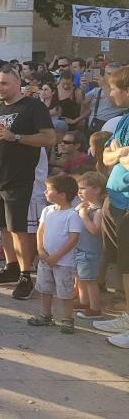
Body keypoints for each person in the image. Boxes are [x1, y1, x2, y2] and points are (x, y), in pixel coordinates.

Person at [0, 65, 56, 301]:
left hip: (20, 177)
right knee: (2, 225)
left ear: (17, 83)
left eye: (4, 83)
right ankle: (11, 266)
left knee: (19, 228)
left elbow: (49, 138)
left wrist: (18, 137)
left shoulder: (34, 106)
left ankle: (26, 275)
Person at [96, 65, 129, 348]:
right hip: (115, 199)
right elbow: (106, 156)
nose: (110, 94)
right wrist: (120, 152)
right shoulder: (122, 120)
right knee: (120, 262)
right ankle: (126, 315)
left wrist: (117, 154)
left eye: (114, 89)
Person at [27, 174, 82, 334]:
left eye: (49, 190)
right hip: (45, 260)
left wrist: (57, 256)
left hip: (63, 262)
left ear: (62, 195)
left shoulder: (72, 215)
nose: (45, 192)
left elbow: (73, 239)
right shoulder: (47, 210)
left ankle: (67, 319)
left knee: (65, 291)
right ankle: (45, 314)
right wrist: (41, 250)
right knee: (45, 288)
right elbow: (40, 231)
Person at [75, 171, 106, 319]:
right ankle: (83, 301)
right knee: (80, 278)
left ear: (96, 189)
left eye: (82, 188)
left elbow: (95, 230)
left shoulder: (98, 211)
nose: (79, 191)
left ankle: (95, 308)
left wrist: (83, 215)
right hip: (80, 249)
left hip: (91, 252)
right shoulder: (85, 207)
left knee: (90, 281)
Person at [84, 63, 126, 135]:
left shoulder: (122, 90)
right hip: (93, 126)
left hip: (109, 128)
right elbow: (82, 101)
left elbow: (115, 103)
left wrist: (104, 85)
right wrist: (82, 88)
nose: (109, 76)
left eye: (113, 74)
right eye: (107, 73)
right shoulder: (98, 89)